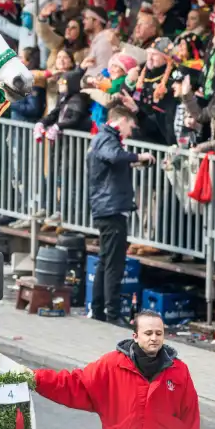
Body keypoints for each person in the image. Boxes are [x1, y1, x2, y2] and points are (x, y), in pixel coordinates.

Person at [31, 309, 201, 429]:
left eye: (159, 333)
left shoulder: (179, 370)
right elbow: (74, 384)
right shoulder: (111, 365)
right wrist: (35, 378)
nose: (154, 338)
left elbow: (190, 418)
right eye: (148, 333)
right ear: (135, 336)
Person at [88, 105, 154, 325]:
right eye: (130, 125)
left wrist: (135, 161)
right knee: (113, 263)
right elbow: (113, 156)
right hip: (110, 208)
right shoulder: (107, 138)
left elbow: (113, 162)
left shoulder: (103, 137)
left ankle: (99, 310)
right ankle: (112, 313)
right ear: (121, 120)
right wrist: (139, 155)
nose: (130, 131)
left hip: (107, 206)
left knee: (105, 260)